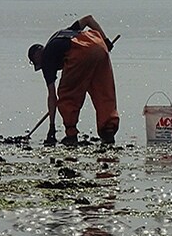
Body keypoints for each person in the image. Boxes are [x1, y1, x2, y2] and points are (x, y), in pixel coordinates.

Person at [27, 14, 119, 146]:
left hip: (80, 53)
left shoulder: (46, 59)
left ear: (37, 56)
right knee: (103, 92)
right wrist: (106, 41)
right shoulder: (63, 34)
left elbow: (53, 97)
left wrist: (52, 128)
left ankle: (71, 135)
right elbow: (88, 19)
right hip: (98, 46)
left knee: (67, 95)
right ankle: (108, 131)